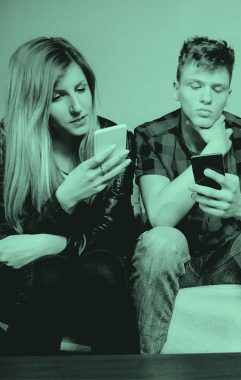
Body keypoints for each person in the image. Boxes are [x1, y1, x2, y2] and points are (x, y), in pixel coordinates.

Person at [132, 36, 241, 354]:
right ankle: (149, 367)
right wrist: (212, 150)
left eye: (217, 89)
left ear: (228, 93)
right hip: (175, 260)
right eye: (195, 86)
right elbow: (160, 217)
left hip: (228, 258)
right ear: (176, 87)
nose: (206, 98)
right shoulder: (150, 136)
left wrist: (239, 205)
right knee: (162, 240)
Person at [0, 37, 139, 355]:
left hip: (96, 274)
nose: (77, 107)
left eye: (81, 89)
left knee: (102, 267)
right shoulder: (7, 145)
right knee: (51, 272)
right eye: (58, 97)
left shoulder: (117, 141)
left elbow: (117, 236)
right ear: (35, 103)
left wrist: (58, 243)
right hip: (29, 280)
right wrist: (64, 199)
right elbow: (9, 246)